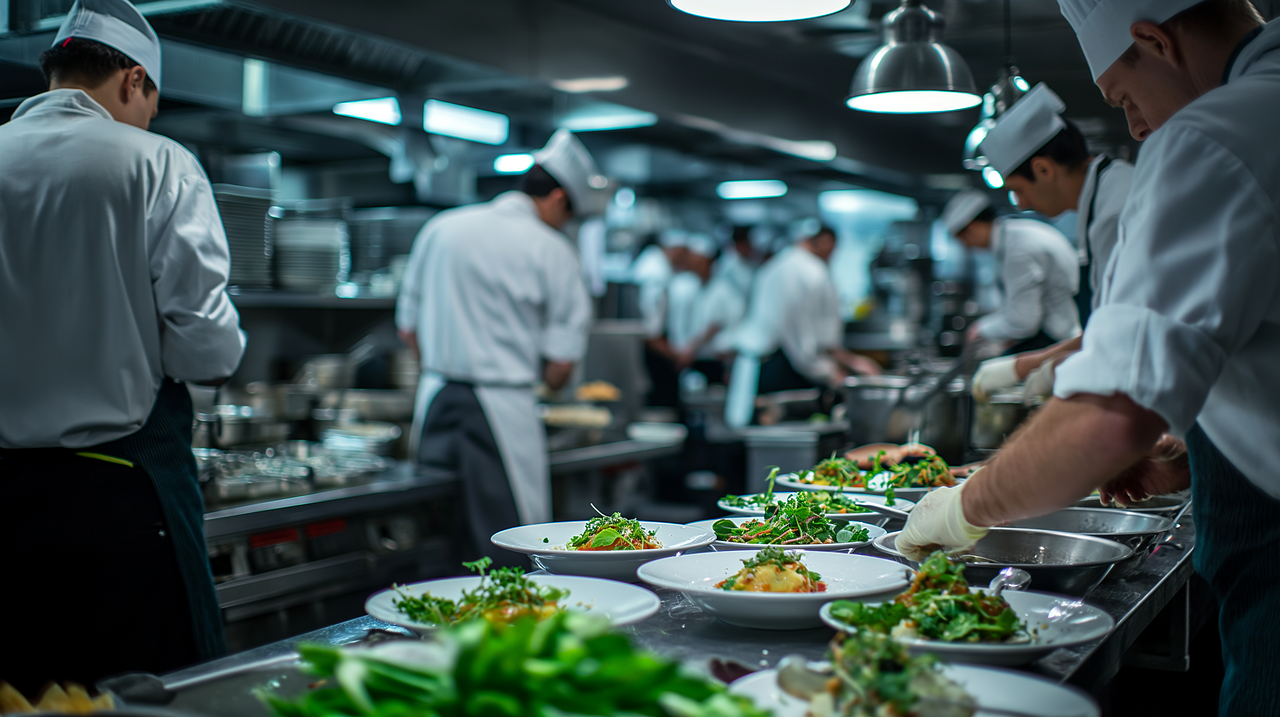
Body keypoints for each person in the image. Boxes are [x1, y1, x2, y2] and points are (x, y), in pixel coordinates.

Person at [900, 0, 1278, 712]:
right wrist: (1194, 451)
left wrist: (960, 508)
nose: (1135, 126)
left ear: (1154, 41)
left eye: (1124, 97)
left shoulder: (1214, 136)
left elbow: (1107, 417)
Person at [0, 0, 245, 692]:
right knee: (150, 694)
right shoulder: (158, 163)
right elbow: (209, 351)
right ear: (134, 79)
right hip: (121, 498)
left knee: (23, 694)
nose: (149, 121)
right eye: (151, 104)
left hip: (9, 499)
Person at [396, 129, 603, 565]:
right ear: (559, 199)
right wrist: (544, 383)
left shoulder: (441, 228)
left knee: (434, 540)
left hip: (433, 400)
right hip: (503, 410)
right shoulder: (553, 250)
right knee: (511, 547)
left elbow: (407, 330)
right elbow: (560, 366)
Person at [969, 84, 1135, 402]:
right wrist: (1029, 364)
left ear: (1044, 169)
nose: (1019, 204)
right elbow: (1108, 328)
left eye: (1017, 189)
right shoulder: (1102, 197)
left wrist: (1042, 366)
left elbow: (1126, 334)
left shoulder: (1117, 209)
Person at [724, 225, 880, 427]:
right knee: (785, 443)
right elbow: (803, 340)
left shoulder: (778, 264)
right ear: (825, 241)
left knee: (761, 441)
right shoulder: (810, 271)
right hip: (784, 366)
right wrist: (831, 372)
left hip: (763, 364)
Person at [941, 190, 1081, 355]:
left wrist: (981, 329)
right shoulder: (1013, 237)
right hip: (1055, 333)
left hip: (1058, 340)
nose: (967, 247)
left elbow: (1023, 322)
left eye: (963, 240)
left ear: (973, 227)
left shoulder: (1019, 248)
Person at [667, 234, 746, 385]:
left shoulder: (722, 290)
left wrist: (689, 350)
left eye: (698, 261)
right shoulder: (697, 287)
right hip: (701, 357)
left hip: (717, 360)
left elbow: (713, 326)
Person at [632, 229, 690, 407]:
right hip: (651, 353)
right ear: (675, 250)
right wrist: (675, 356)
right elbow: (651, 333)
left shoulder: (655, 265)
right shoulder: (655, 273)